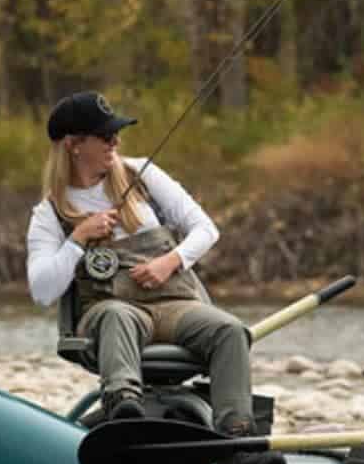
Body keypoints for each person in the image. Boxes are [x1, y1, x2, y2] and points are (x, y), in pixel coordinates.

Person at [25, 91, 260, 442]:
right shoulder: (48, 214)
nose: (115, 142)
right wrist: (78, 239)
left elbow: (206, 229)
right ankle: (123, 406)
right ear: (74, 145)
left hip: (174, 305)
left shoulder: (143, 174)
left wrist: (170, 261)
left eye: (116, 133)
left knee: (231, 330)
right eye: (105, 136)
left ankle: (238, 436)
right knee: (117, 315)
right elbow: (42, 291)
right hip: (111, 313)